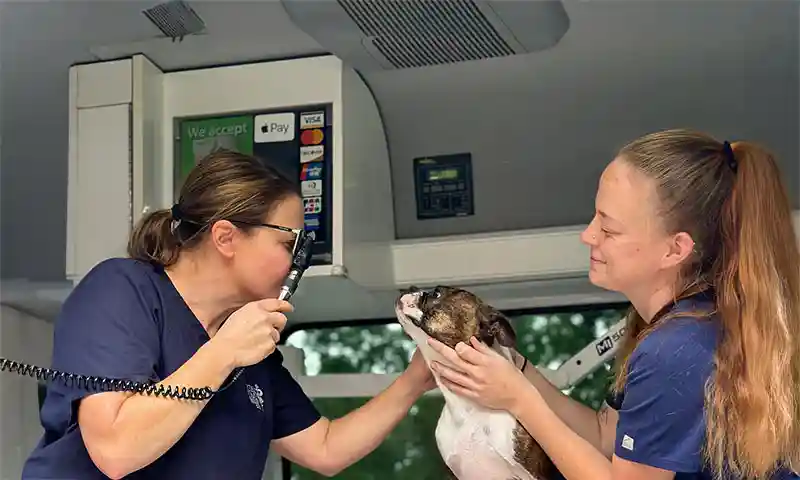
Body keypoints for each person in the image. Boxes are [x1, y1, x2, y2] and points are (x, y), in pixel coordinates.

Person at [22, 150, 435, 479]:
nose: (298, 264)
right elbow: (115, 450)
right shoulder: (123, 291)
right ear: (226, 237)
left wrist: (415, 380)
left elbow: (324, 448)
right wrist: (224, 352)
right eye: (289, 244)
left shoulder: (250, 349)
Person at [427, 129, 800, 480]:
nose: (587, 235)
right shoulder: (679, 325)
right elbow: (607, 436)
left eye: (608, 228)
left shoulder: (674, 349)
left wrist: (521, 401)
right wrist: (517, 369)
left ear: (675, 249)